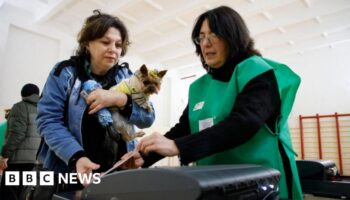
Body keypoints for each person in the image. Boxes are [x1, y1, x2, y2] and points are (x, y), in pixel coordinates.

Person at [121, 5, 303, 200]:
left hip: (262, 183)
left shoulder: (258, 71)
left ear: (233, 36)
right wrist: (147, 156)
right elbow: (185, 128)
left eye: (213, 35)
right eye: (201, 37)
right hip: (217, 184)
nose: (205, 44)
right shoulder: (200, 86)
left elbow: (242, 124)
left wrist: (178, 146)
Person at [36, 9, 154, 192]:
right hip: (70, 174)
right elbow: (48, 121)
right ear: (87, 44)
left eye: (118, 44)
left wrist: (121, 99)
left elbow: (148, 117)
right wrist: (76, 157)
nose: (113, 49)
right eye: (105, 42)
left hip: (118, 173)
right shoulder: (65, 73)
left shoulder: (128, 77)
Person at [0, 83, 41, 199]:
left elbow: (17, 134)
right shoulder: (43, 110)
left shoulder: (20, 107)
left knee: (8, 194)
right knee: (23, 194)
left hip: (17, 162)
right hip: (34, 162)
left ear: (23, 94)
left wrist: (5, 155)